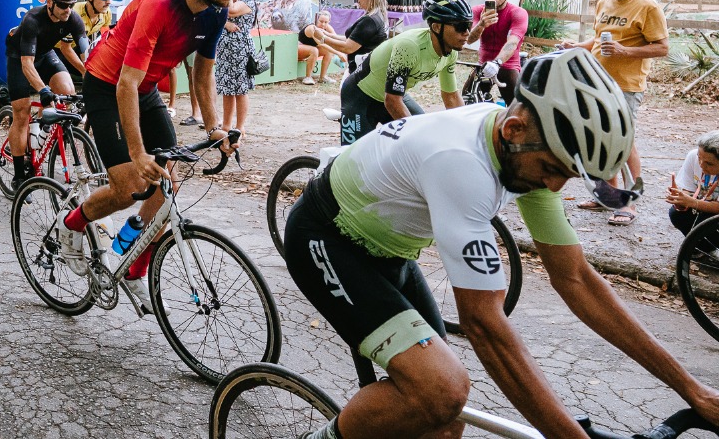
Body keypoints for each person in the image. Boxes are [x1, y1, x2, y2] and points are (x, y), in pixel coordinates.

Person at [283, 48, 719, 439]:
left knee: (444, 419)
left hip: (391, 250)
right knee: (440, 390)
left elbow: (576, 279)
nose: (554, 184)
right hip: (326, 236)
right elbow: (485, 327)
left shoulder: (527, 151)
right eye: (551, 168)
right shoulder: (461, 163)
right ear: (514, 128)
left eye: (568, 174)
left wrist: (693, 390)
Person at [55, 0, 241, 311]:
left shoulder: (218, 10)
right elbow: (126, 83)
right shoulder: (159, 4)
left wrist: (214, 127)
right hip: (107, 84)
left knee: (164, 183)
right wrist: (137, 153)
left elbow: (202, 75)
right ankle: (72, 225)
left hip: (145, 87)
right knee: (128, 186)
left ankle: (132, 261)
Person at [560, 0, 668, 226]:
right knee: (602, 141)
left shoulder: (647, 7)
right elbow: (599, 38)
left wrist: (625, 51)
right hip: (598, 82)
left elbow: (663, 48)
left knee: (623, 142)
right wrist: (577, 46)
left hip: (626, 86)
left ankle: (629, 202)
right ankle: (608, 196)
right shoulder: (603, 3)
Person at [337, 0, 471, 145]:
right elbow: (392, 100)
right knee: (356, 160)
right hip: (361, 96)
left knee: (423, 137)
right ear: (436, 27)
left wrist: (466, 131)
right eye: (460, 26)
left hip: (392, 95)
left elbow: (451, 97)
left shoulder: (451, 53)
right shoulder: (410, 46)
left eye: (469, 25)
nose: (467, 32)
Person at [4, 0, 89, 191]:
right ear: (49, 2)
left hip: (45, 54)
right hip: (20, 59)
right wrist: (42, 89)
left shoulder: (73, 19)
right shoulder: (33, 19)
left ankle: (40, 134)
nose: (68, 9)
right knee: (21, 113)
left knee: (67, 91)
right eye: (62, 4)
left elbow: (86, 53)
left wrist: (94, 78)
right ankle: (20, 174)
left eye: (71, 4)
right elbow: (27, 65)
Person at [469, 0, 528, 104]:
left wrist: (497, 63)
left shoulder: (518, 13)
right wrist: (482, 24)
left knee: (517, 106)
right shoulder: (477, 11)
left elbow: (512, 42)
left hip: (508, 65)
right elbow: (469, 39)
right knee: (468, 99)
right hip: (483, 64)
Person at [315, 0, 389, 75]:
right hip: (366, 69)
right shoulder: (378, 17)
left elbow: (348, 47)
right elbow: (353, 39)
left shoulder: (369, 20)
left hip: (361, 72)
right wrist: (328, 35)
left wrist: (323, 38)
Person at [214, 0, 256, 135]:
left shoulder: (247, 1)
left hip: (240, 50)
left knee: (240, 89)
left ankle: (240, 127)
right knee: (227, 88)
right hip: (225, 49)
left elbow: (230, 11)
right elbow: (217, 15)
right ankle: (226, 125)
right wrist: (226, 25)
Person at [667, 130, 719, 247]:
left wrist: (692, 202)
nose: (701, 164)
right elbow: (688, 190)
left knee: (706, 221)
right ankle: (701, 250)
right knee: (676, 213)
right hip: (704, 206)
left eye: (709, 164)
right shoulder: (693, 156)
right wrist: (680, 199)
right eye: (699, 158)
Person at [301, 9, 347, 86]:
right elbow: (321, 44)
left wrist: (343, 51)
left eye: (325, 22)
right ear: (316, 20)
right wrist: (338, 53)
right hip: (299, 48)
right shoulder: (312, 28)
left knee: (328, 51)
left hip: (312, 49)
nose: (323, 24)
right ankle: (308, 77)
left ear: (329, 22)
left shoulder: (327, 28)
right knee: (314, 50)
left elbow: (335, 39)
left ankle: (323, 77)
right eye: (321, 21)